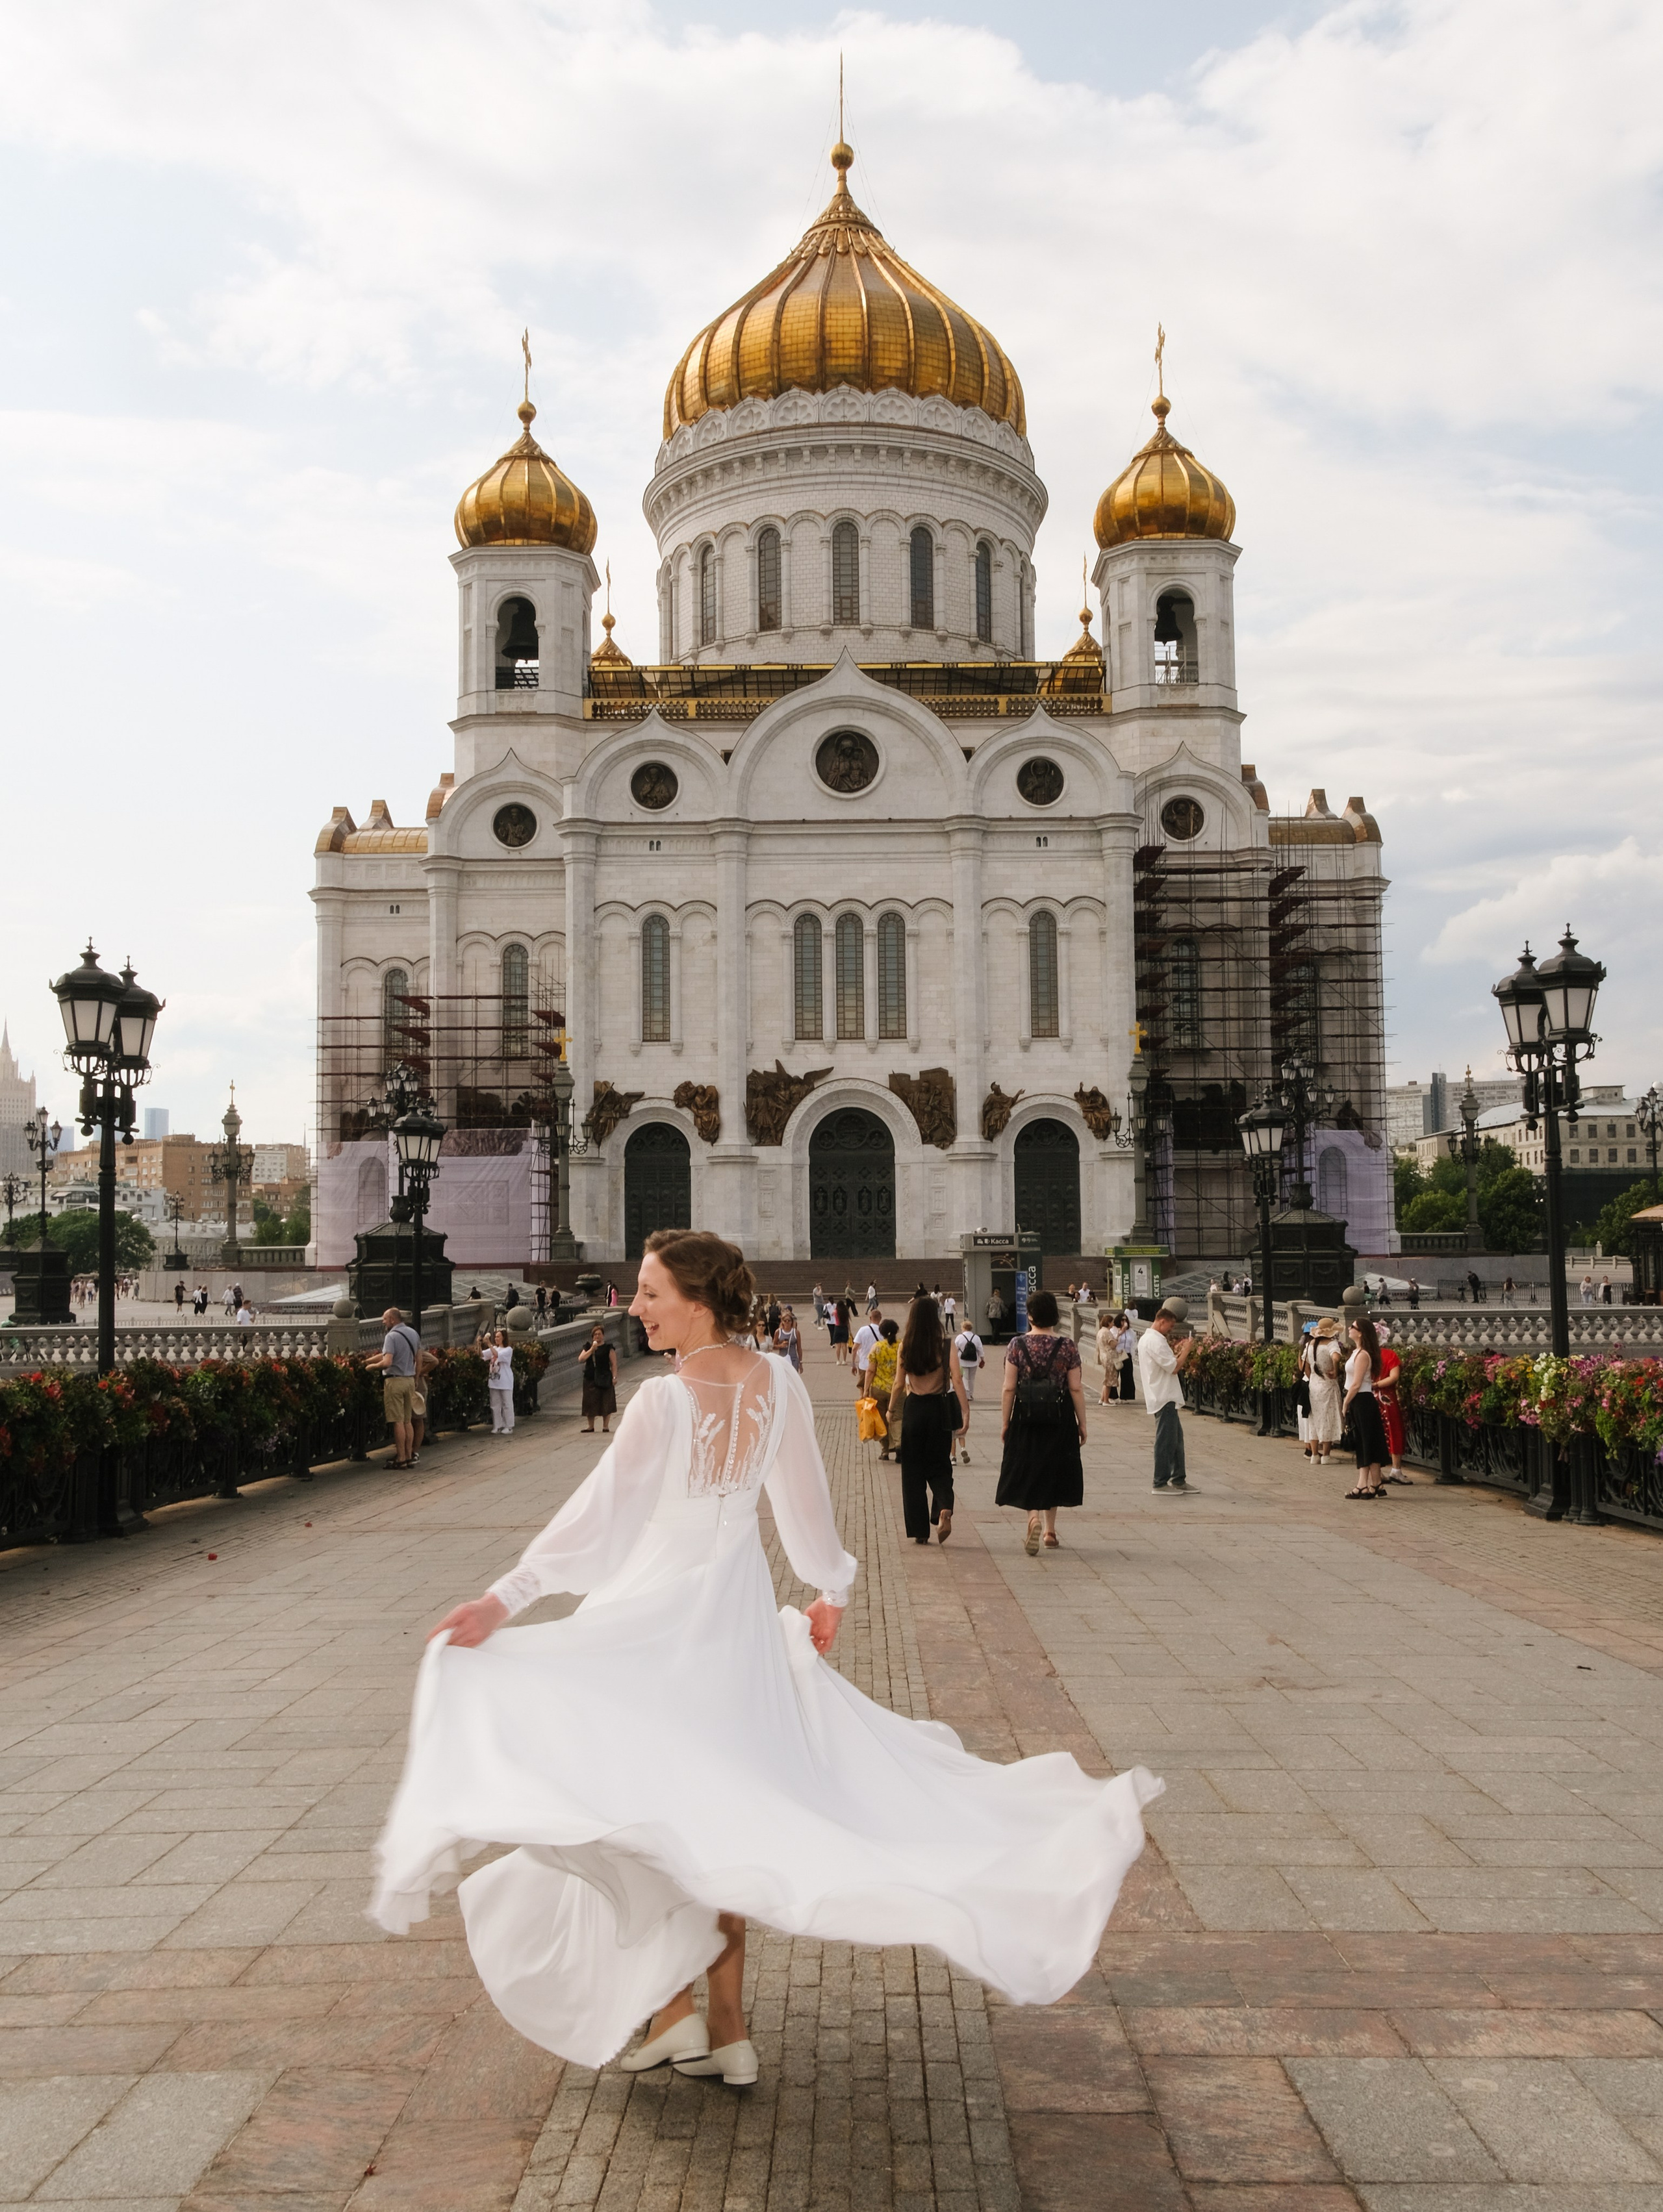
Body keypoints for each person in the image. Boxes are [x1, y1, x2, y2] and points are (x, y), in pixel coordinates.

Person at [370, 1228, 1158, 2087]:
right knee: (718, 1813)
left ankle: (686, 2015)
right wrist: (831, 1590)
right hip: (735, 1616)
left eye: (650, 1293)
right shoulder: (778, 1383)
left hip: (656, 1616)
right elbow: (804, 1511)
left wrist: (503, 1600)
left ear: (697, 1302)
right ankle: (714, 2024)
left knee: (653, 1813)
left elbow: (597, 1528)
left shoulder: (661, 1404)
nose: (636, 1307)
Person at [997, 1288, 1086, 1552]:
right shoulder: (1067, 1346)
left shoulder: (1017, 1345)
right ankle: (1049, 1531)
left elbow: (1008, 1387)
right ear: (1056, 1316)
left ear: (1031, 1315)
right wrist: (1082, 1423)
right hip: (1059, 1417)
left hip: (1025, 1417)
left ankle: (1032, 1517)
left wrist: (1006, 1422)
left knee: (1028, 1466)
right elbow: (1076, 1388)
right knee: (1053, 1469)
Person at [893, 1296, 967, 1544]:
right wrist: (965, 1413)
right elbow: (957, 1379)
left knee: (912, 1472)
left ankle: (920, 1531)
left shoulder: (906, 1346)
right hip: (939, 1408)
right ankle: (944, 1504)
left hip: (914, 1409)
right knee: (940, 1464)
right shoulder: (946, 1345)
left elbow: (897, 1383)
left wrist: (891, 1410)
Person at [1136, 1298, 1193, 1496]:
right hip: (1163, 1396)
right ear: (1161, 1321)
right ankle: (1159, 1482)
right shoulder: (1155, 1341)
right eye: (1171, 1325)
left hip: (1163, 1395)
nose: (1171, 1329)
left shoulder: (1148, 1339)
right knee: (1166, 1441)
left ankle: (1178, 1478)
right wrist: (1186, 1350)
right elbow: (1175, 1368)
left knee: (1176, 1440)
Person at [366, 1307, 422, 1470]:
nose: (383, 1322)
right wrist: (416, 1378)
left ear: (392, 1320)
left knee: (397, 1422)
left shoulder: (391, 1337)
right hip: (409, 1380)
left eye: (385, 1319)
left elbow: (387, 1362)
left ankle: (401, 1459)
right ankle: (410, 1456)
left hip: (395, 1381)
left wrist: (370, 1368)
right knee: (407, 1421)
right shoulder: (413, 1333)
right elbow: (419, 1358)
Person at [1342, 1316, 1390, 1498]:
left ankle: (1363, 1484)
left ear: (1360, 1332)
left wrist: (1346, 1403)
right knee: (1367, 1441)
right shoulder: (1357, 1352)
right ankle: (1375, 1483)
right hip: (1359, 1400)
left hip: (1362, 1400)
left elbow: (1356, 1383)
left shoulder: (1363, 1355)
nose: (1349, 1328)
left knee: (1366, 1442)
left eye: (1352, 1327)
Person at [1308, 1318, 1344, 1464]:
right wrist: (1335, 1371)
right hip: (1327, 1385)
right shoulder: (1331, 1344)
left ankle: (1315, 1454)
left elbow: (1304, 1363)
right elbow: (1336, 1357)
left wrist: (1311, 1375)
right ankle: (1326, 1455)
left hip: (1313, 1384)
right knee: (1327, 1418)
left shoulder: (1310, 1344)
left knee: (1314, 1419)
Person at [1376, 1329, 1410, 1483]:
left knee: (1374, 1433)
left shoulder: (1363, 1355)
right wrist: (1378, 1385)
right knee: (1393, 1430)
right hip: (1387, 1397)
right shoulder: (1390, 1355)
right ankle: (1396, 1469)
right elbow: (1394, 1377)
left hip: (1369, 1396)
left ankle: (1376, 1470)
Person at [867, 1317, 900, 1461]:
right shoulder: (901, 1346)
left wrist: (865, 1390)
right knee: (898, 1418)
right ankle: (899, 1446)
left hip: (878, 1388)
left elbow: (870, 1371)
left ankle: (885, 1451)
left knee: (881, 1420)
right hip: (898, 1389)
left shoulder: (877, 1347)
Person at [952, 1320, 983, 1463]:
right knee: (972, 1378)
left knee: (963, 1379)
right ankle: (970, 1394)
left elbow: (956, 1349)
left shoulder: (959, 1338)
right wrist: (982, 1358)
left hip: (962, 1361)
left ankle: (966, 1393)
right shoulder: (976, 1337)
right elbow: (980, 1349)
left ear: (963, 1328)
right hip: (974, 1361)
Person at [579, 1324, 618, 1433]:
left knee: (606, 1401)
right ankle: (590, 1426)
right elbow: (581, 1359)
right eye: (595, 1334)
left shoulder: (608, 1348)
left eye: (599, 1334)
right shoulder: (588, 1347)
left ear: (603, 1336)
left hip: (605, 1376)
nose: (597, 1336)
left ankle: (605, 1426)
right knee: (589, 1402)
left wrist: (614, 1377)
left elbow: (614, 1364)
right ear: (592, 1337)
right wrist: (592, 1350)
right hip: (590, 1377)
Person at [483, 1329, 516, 1434]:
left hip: (505, 1380)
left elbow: (497, 1355)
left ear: (503, 1338)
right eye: (495, 1337)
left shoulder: (508, 1350)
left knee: (507, 1403)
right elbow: (483, 1355)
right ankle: (497, 1425)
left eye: (498, 1337)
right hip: (494, 1380)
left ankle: (509, 1426)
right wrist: (480, 1344)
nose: (496, 1339)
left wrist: (489, 1344)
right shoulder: (495, 1348)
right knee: (495, 1404)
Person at [852, 1306, 882, 1396]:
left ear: (870, 1318)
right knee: (875, 1389)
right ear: (880, 1319)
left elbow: (854, 1348)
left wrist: (853, 1364)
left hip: (864, 1365)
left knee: (863, 1388)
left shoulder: (863, 1330)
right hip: (878, 1366)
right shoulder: (883, 1331)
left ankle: (864, 1407)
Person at [1095, 1308, 1119, 1408]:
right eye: (1112, 1322)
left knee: (1106, 1377)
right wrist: (1117, 1338)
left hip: (1103, 1355)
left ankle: (1102, 1399)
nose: (1113, 1324)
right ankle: (1106, 1400)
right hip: (1109, 1357)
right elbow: (1113, 1344)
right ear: (1109, 1323)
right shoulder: (1107, 1333)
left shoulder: (1100, 1332)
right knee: (1109, 1379)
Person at [772, 1305, 802, 1373]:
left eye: (789, 1321)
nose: (787, 1322)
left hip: (793, 1359)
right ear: (782, 1322)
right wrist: (780, 1346)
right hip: (782, 1359)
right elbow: (773, 1346)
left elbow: (799, 1348)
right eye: (785, 1321)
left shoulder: (796, 1332)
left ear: (792, 1322)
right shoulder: (778, 1332)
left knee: (793, 1380)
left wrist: (800, 1362)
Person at [828, 1295, 851, 1366]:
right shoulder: (846, 1312)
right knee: (844, 1346)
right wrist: (850, 1331)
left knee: (838, 1346)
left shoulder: (835, 1312)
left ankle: (838, 1360)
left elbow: (831, 1314)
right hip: (844, 1328)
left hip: (837, 1328)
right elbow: (848, 1322)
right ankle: (844, 1360)